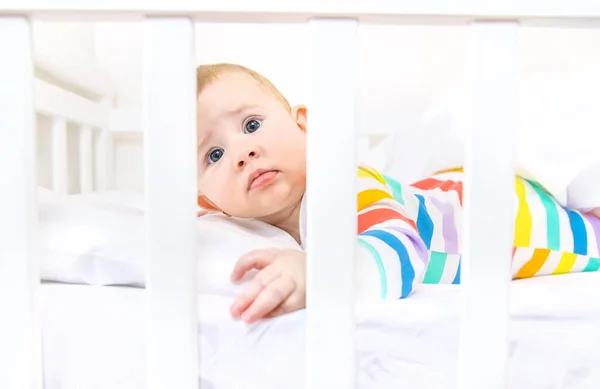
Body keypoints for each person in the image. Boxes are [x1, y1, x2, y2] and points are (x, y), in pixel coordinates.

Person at [195, 63, 600, 325]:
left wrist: (320, 273)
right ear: (207, 204)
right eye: (214, 154)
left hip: (514, 214)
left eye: (251, 125)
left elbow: (401, 250)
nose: (241, 152)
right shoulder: (242, 236)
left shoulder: (342, 188)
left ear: (305, 127)